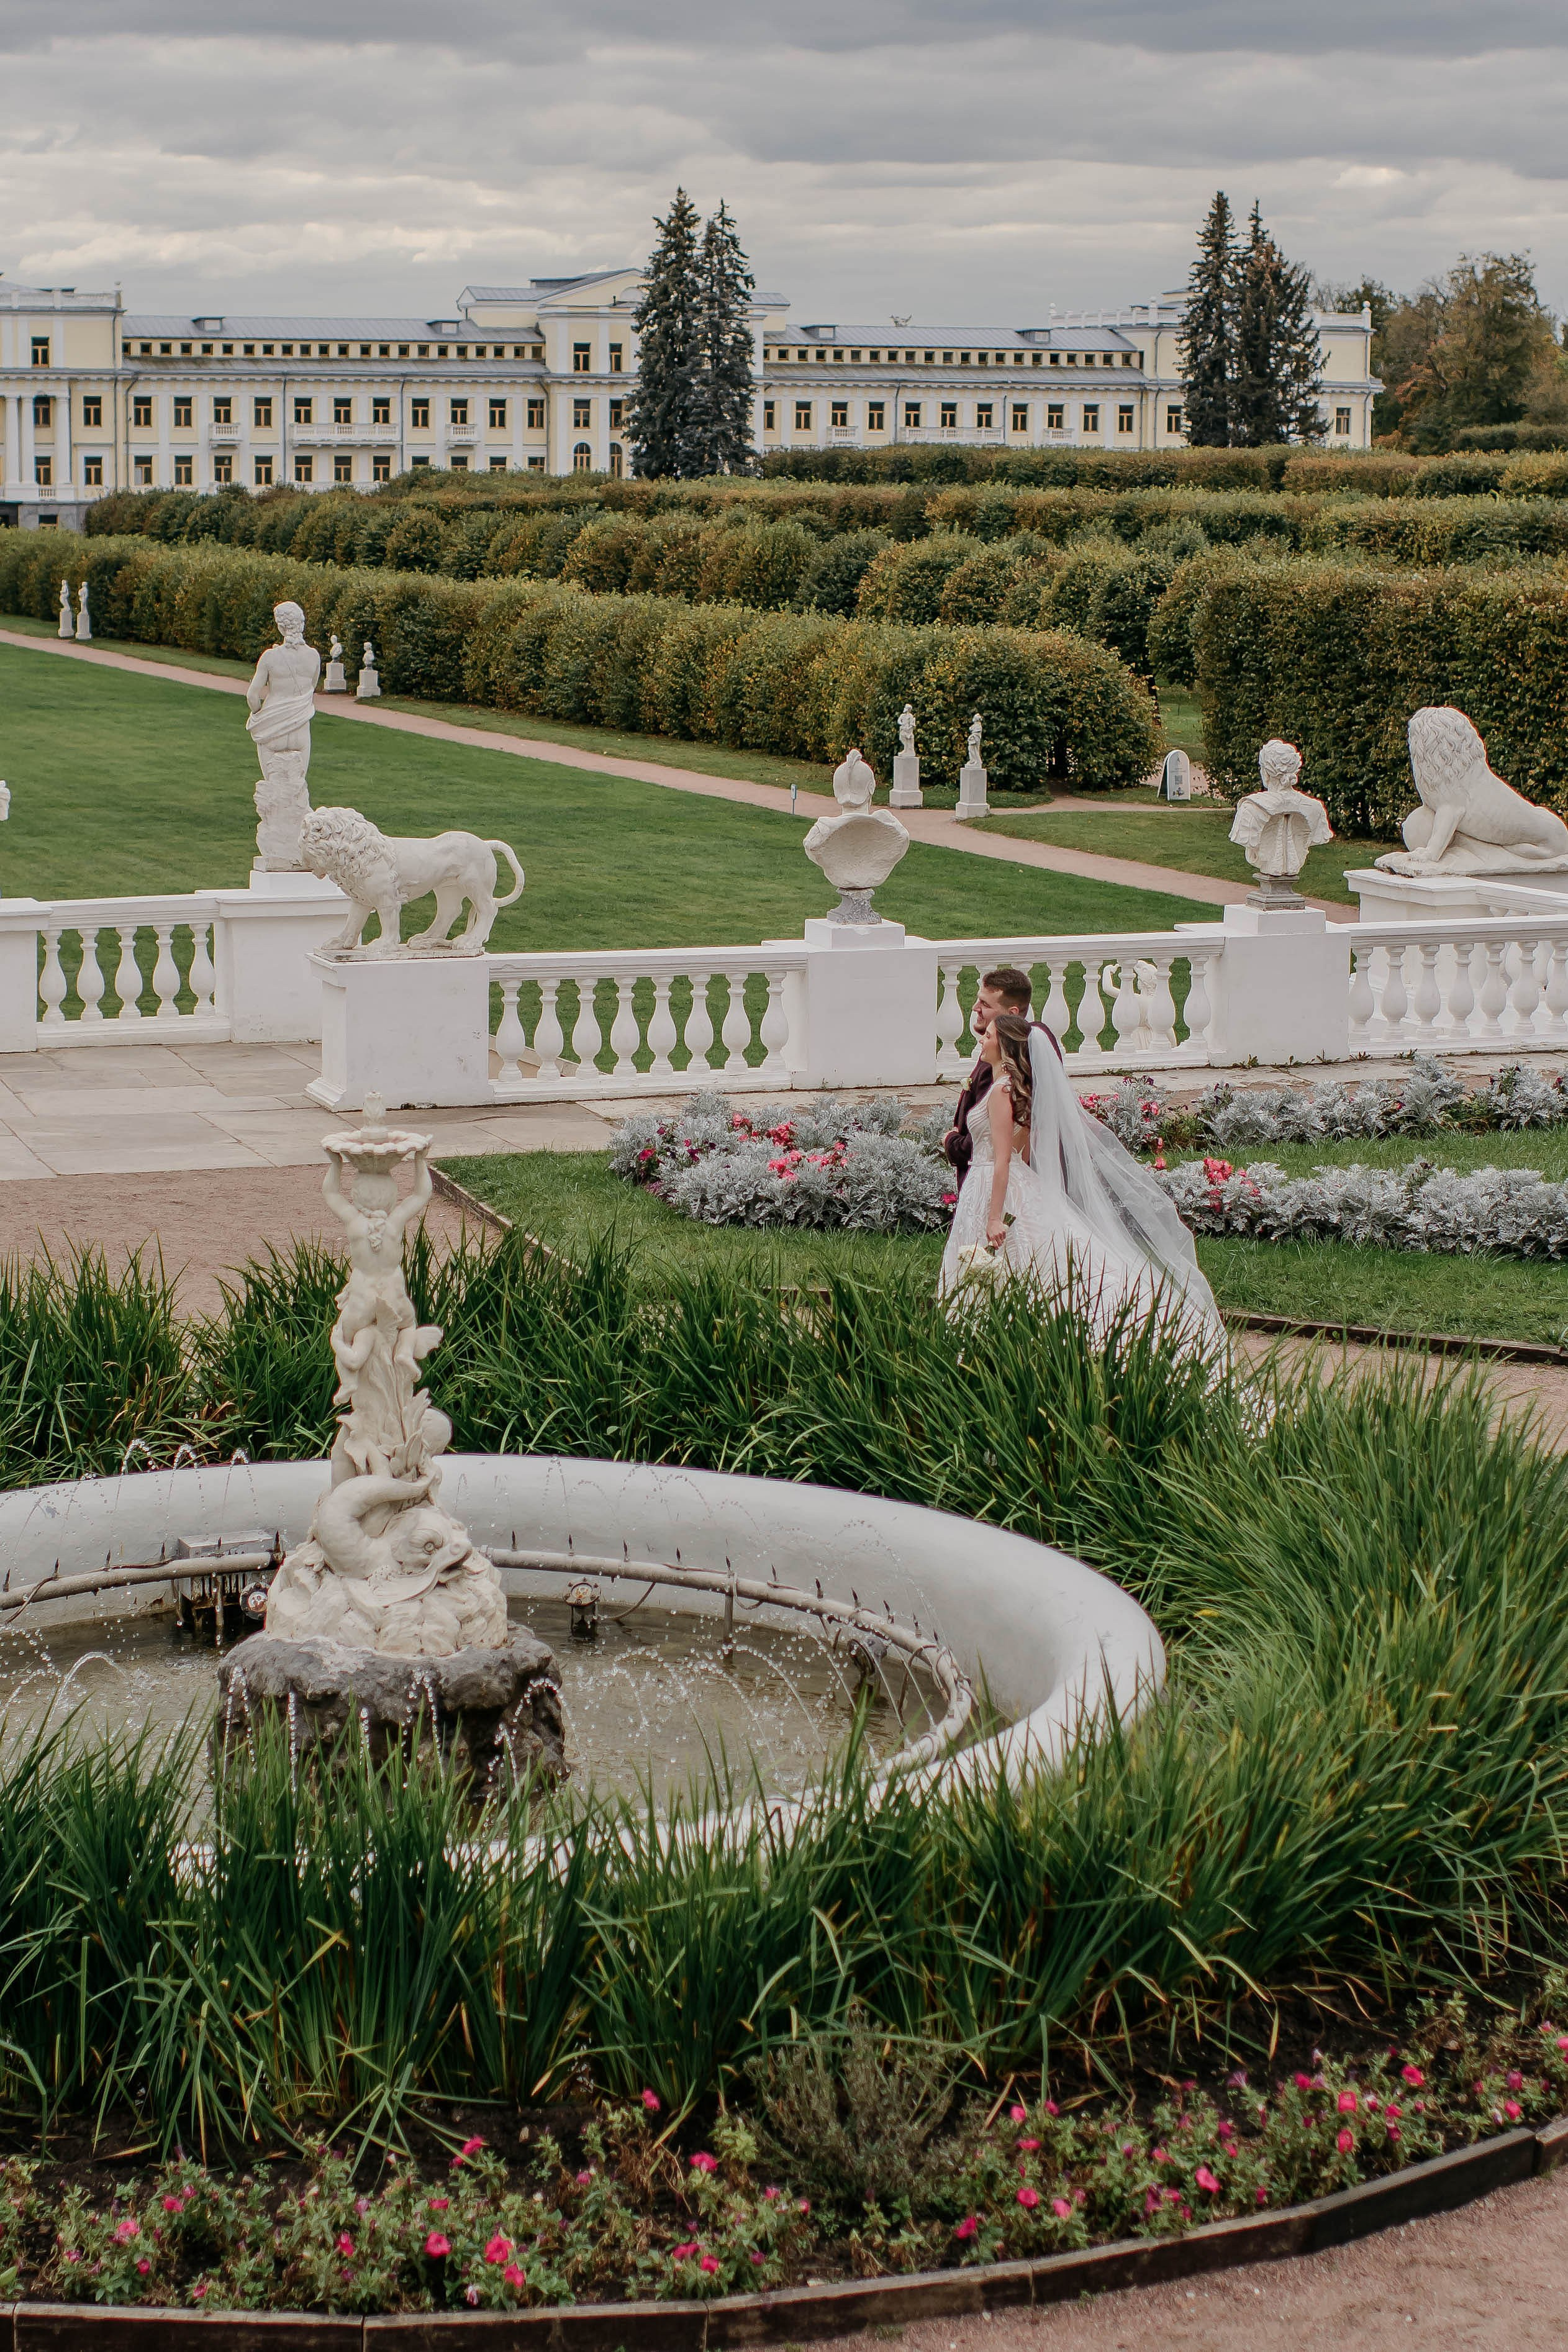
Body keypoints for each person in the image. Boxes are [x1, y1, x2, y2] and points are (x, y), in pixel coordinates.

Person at [937, 1013, 1225, 1350]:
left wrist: (994, 1216)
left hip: (993, 1181)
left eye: (988, 1036)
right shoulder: (1010, 1088)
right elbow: (1019, 1147)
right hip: (1000, 1179)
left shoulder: (1001, 1091)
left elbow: (1002, 1159)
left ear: (1003, 1046)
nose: (981, 1040)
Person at [943, 966, 1059, 1189]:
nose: (976, 1008)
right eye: (979, 1001)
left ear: (1013, 1013)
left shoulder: (1002, 1068)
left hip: (992, 1182)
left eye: (985, 1005)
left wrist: (951, 1143)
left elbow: (990, 1134)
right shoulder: (1025, 1053)